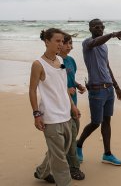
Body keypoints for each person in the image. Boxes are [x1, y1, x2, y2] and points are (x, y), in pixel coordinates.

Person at [29, 28, 80, 186]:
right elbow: (32, 90)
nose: (61, 44)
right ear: (46, 42)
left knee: (59, 151)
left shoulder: (61, 62)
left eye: (62, 41)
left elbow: (63, 87)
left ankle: (42, 172)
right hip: (50, 117)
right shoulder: (38, 64)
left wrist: (73, 106)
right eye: (57, 41)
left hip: (65, 114)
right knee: (60, 160)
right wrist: (36, 114)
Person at [76, 19, 121, 166]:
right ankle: (78, 145)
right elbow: (94, 43)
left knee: (107, 121)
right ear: (90, 29)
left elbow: (107, 66)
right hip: (96, 90)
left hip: (109, 89)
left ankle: (107, 154)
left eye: (102, 27)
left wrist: (116, 86)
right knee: (95, 122)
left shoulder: (104, 47)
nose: (100, 29)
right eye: (97, 27)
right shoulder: (87, 43)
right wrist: (112, 34)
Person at [59, 33, 86, 180]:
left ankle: (51, 166)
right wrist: (66, 90)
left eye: (71, 43)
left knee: (71, 134)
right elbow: (56, 84)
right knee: (71, 134)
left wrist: (78, 85)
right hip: (63, 104)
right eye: (67, 43)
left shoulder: (71, 60)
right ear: (60, 43)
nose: (70, 46)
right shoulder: (56, 62)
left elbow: (70, 79)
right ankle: (73, 167)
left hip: (73, 102)